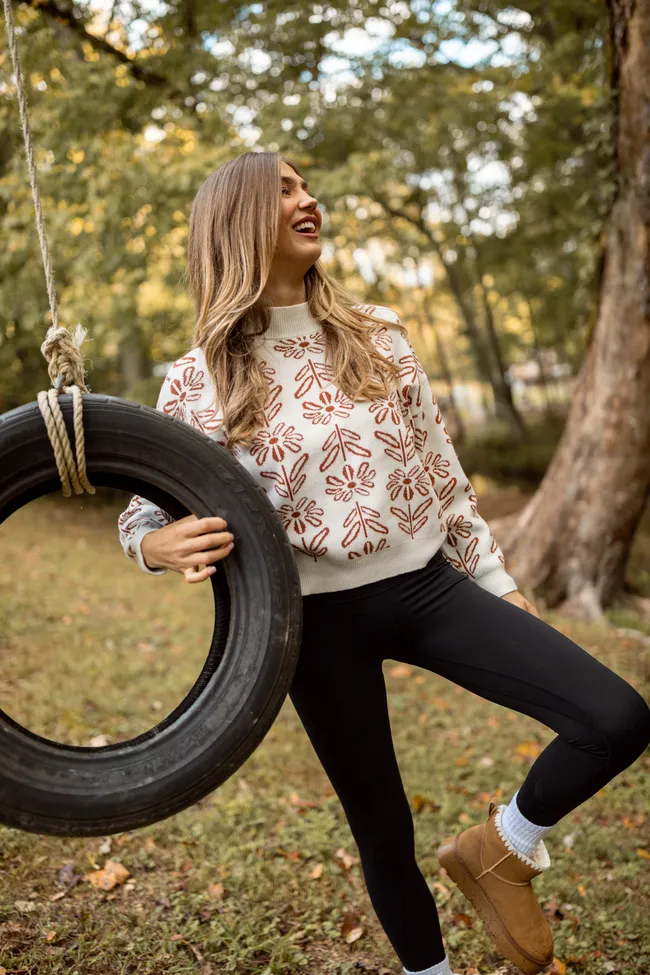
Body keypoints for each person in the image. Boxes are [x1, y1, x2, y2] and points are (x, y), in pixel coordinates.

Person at [117, 151, 650, 975]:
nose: (309, 198)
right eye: (284, 189)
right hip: (309, 626)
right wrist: (157, 545)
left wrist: (500, 582)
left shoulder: (379, 333)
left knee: (615, 715)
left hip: (429, 586)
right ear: (236, 222)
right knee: (382, 825)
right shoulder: (197, 379)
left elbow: (442, 473)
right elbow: (141, 513)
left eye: (306, 184)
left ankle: (503, 845)